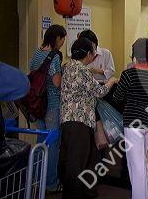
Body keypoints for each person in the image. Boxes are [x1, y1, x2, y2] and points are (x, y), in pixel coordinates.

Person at [60, 38, 117, 199]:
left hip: (67, 120)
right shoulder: (81, 70)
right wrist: (112, 80)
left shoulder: (69, 66)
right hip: (80, 122)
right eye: (93, 51)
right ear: (88, 53)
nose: (95, 55)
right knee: (76, 165)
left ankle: (84, 192)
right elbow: (99, 92)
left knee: (77, 160)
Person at [113, 38, 148, 199]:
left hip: (132, 123)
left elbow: (117, 97)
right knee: (143, 165)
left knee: (137, 168)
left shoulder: (128, 74)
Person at [29, 24, 66, 193]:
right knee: (52, 145)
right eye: (63, 38)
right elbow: (56, 82)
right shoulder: (54, 56)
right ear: (57, 38)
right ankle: (51, 183)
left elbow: (33, 74)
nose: (63, 42)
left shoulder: (36, 53)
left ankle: (36, 180)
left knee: (40, 142)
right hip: (51, 105)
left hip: (36, 105)